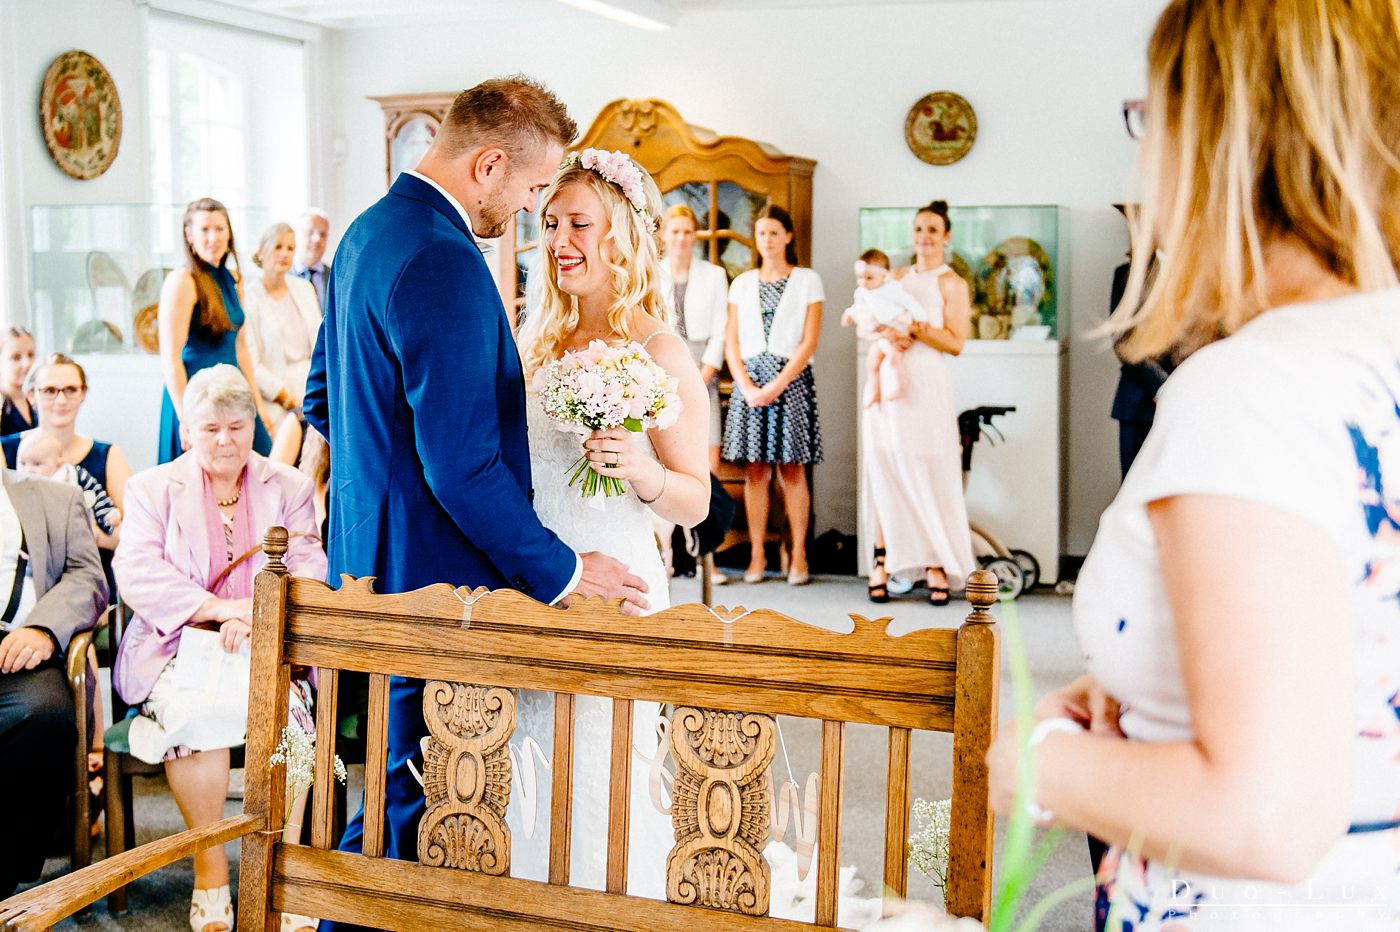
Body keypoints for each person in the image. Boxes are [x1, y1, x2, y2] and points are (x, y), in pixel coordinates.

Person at [986, 2, 1400, 929]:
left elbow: (1264, 815)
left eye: (1150, 116)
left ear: (1216, 131)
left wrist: (1032, 764)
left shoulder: (1250, 388)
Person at [304, 76, 649, 919]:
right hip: (433, 584)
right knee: (421, 807)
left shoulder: (366, 234)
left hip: (368, 565)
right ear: (489, 164)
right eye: (533, 189)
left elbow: (322, 398)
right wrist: (562, 572)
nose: (531, 210)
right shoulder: (442, 258)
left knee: (394, 793)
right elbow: (461, 467)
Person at [512, 148, 709, 895]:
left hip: (620, 582)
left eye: (579, 224)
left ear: (620, 235)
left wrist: (643, 467)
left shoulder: (657, 347)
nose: (561, 239)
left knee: (602, 761)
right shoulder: (533, 343)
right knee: (533, 756)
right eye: (551, 221)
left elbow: (695, 498)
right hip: (538, 580)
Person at [113, 365, 324, 932]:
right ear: (186, 432)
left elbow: (309, 570)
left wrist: (259, 620)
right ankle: (211, 870)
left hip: (268, 644)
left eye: (236, 425)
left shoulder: (290, 486)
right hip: (179, 646)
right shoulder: (152, 489)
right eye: (210, 429)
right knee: (194, 716)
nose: (225, 440)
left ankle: (286, 869)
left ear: (253, 424)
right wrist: (217, 611)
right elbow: (136, 573)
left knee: (289, 720)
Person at [0, 448, 109, 897]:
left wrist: (44, 629)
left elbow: (88, 578)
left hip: (20, 650)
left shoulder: (55, 498)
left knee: (45, 718)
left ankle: (5, 877)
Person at [863, 201, 975, 606]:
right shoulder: (893, 276)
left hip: (926, 385)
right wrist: (887, 334)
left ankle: (935, 562)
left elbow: (955, 342)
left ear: (946, 236)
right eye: (918, 229)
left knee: (928, 468)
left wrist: (915, 329)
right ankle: (882, 558)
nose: (924, 237)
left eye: (932, 230)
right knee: (886, 466)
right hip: (887, 383)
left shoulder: (952, 284)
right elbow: (867, 318)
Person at [720, 204, 823, 586]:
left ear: (788, 237)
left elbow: (809, 341)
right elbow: (731, 341)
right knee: (756, 470)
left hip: (791, 380)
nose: (767, 240)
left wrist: (777, 385)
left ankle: (797, 555)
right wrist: (747, 386)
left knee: (792, 469)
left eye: (774, 233)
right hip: (749, 382)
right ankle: (758, 554)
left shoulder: (808, 280)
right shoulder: (742, 282)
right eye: (762, 233)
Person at [156, 198, 274, 465]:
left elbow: (241, 348)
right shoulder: (182, 281)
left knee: (257, 467)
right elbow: (170, 357)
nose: (213, 238)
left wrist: (257, 403)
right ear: (189, 235)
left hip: (233, 388)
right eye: (205, 230)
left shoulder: (235, 279)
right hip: (195, 395)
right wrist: (186, 418)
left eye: (220, 229)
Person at [2, 354, 132, 554]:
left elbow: (139, 531)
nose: (61, 399)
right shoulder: (5, 450)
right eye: (49, 391)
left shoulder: (108, 455)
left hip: (92, 574)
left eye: (71, 390)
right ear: (31, 396)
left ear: (83, 394)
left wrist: (93, 535)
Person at [243, 222, 323, 464]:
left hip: (312, 387)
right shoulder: (249, 296)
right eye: (278, 246)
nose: (285, 254)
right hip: (274, 398)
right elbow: (252, 363)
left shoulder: (304, 289)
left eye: (290, 248)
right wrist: (288, 399)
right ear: (261, 252)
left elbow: (321, 342)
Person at [658, 203, 728, 471]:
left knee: (708, 455)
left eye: (687, 232)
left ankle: (707, 511)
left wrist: (701, 378)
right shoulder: (653, 272)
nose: (681, 238)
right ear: (664, 234)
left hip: (704, 369)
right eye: (675, 231)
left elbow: (721, 330)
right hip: (664, 370)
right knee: (669, 451)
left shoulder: (714, 275)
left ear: (695, 236)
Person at [841, 248, 927, 408]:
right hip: (880, 333)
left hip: (896, 324)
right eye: (859, 277)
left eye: (869, 278)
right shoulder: (862, 292)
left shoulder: (892, 289)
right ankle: (875, 390)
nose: (863, 282)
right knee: (872, 363)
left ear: (884, 275)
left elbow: (911, 303)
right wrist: (848, 314)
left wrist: (921, 319)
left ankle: (901, 385)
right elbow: (857, 307)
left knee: (893, 357)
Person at [16, 432, 118, 537]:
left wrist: (106, 514)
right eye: (22, 463)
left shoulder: (72, 476)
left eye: (37, 464)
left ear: (59, 464)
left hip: (78, 532)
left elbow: (96, 493)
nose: (28, 470)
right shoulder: (19, 484)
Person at [292, 208, 332, 310]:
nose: (317, 239)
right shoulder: (283, 275)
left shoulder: (334, 276)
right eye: (310, 232)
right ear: (295, 234)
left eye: (323, 234)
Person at [0, 327, 37, 436]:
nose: (27, 363)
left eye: (31, 355)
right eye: (16, 357)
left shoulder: (36, 398)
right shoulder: (2, 403)